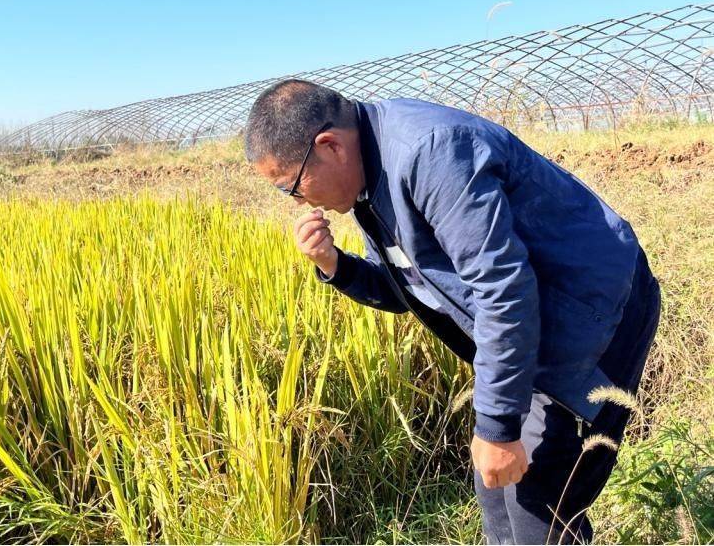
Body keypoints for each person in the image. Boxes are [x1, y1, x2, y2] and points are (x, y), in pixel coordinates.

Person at [245, 79, 661, 544]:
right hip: (529, 325)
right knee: (495, 487)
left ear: (330, 146)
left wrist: (498, 427)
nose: (299, 202)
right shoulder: (368, 180)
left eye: (291, 186)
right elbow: (410, 289)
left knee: (539, 504)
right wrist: (335, 266)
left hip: (592, 315)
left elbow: (503, 289)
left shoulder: (429, 153)